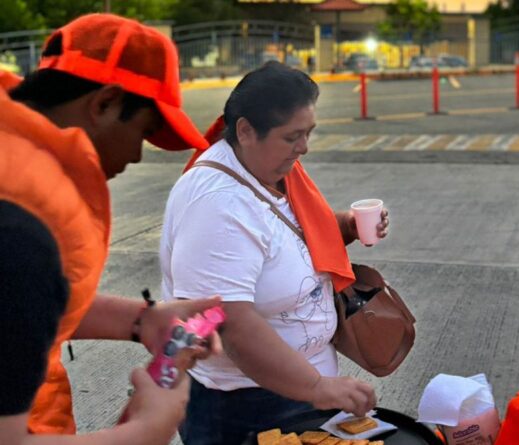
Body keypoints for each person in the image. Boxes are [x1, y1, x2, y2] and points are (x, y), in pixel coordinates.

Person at [0, 13, 220, 444]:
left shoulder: (16, 172)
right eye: (143, 131)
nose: (138, 155)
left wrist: (142, 321)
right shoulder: (22, 228)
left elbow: (21, 305)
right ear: (105, 103)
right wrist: (147, 430)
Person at [160, 61, 387, 445]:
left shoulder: (268, 170)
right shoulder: (218, 205)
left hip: (296, 391)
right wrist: (317, 386)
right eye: (292, 136)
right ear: (246, 130)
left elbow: (287, 233)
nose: (304, 147)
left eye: (308, 133)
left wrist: (347, 225)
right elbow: (231, 323)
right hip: (243, 405)